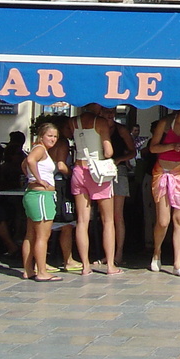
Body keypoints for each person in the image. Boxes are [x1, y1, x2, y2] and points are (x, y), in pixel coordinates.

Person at [65, 103, 120, 276]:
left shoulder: (73, 121)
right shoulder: (100, 122)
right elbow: (109, 151)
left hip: (79, 169)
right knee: (108, 220)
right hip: (98, 172)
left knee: (82, 221)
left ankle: (85, 266)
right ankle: (110, 265)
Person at [149, 105, 180, 277]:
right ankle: (157, 252)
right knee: (163, 221)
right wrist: (172, 146)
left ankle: (177, 263)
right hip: (162, 170)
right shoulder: (165, 123)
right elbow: (153, 148)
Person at [20, 122, 64, 281]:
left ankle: (28, 270)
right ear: (41, 136)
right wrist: (39, 180)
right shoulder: (39, 149)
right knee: (42, 236)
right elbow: (30, 161)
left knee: (30, 234)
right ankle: (42, 271)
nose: (53, 139)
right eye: (50, 136)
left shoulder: (38, 149)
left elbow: (24, 164)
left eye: (55, 136)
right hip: (41, 196)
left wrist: (31, 178)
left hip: (33, 194)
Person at [101, 106, 136, 266]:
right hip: (100, 171)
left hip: (117, 171)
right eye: (107, 111)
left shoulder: (120, 130)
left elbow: (132, 151)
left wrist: (120, 159)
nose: (110, 114)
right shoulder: (97, 127)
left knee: (117, 215)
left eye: (112, 111)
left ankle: (119, 252)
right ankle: (107, 253)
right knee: (104, 216)